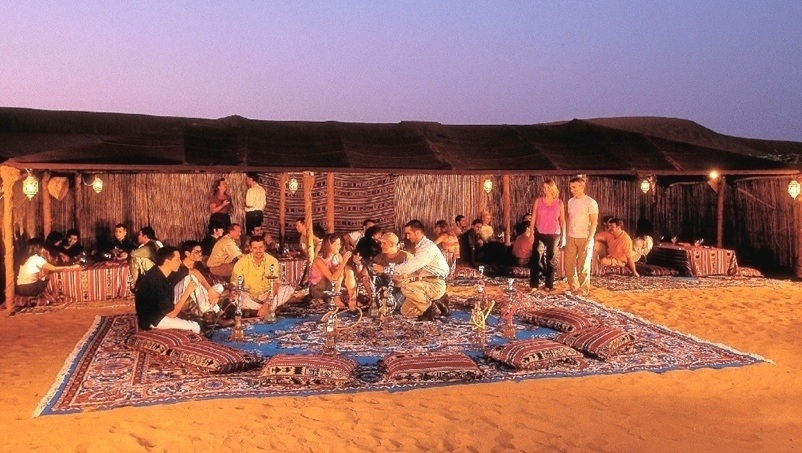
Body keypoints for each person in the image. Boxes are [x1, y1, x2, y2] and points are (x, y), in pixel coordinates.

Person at [375, 220, 449, 321]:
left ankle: (429, 309)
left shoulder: (427, 248)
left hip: (434, 284)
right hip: (424, 283)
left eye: (409, 234)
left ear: (417, 233)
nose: (408, 237)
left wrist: (385, 269)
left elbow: (410, 266)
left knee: (406, 288)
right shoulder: (420, 247)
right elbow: (416, 270)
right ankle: (437, 307)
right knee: (405, 311)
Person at [135, 246, 201, 334]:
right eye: (177, 260)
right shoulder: (155, 282)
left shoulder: (164, 270)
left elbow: (193, 271)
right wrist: (187, 292)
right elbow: (172, 314)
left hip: (163, 310)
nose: (180, 262)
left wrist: (210, 290)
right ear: (167, 261)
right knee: (195, 326)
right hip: (154, 320)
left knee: (190, 277)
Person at [231, 235, 295, 317]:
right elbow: (234, 282)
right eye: (255, 248)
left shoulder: (272, 261)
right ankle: (269, 309)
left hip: (267, 295)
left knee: (288, 290)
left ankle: (260, 310)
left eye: (260, 247)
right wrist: (233, 291)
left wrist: (266, 304)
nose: (258, 251)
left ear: (265, 247)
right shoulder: (242, 262)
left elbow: (275, 285)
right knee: (234, 298)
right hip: (250, 295)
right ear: (250, 248)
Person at [529, 179, 566, 292]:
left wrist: (563, 236)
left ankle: (548, 285)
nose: (546, 190)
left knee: (552, 259)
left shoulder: (559, 203)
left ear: (553, 188)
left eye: (548, 187)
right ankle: (534, 284)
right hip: (540, 232)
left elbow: (563, 220)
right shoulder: (539, 201)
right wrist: (531, 233)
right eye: (544, 188)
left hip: (554, 234)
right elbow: (534, 217)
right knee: (536, 258)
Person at [170, 241, 225, 317]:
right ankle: (213, 311)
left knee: (219, 287)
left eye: (200, 251)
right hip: (182, 297)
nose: (200, 254)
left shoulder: (198, 264)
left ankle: (208, 308)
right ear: (187, 253)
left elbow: (203, 281)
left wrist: (211, 293)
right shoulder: (179, 265)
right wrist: (210, 291)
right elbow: (195, 273)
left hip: (197, 294)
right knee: (192, 278)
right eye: (197, 252)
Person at [564, 176, 598, 296]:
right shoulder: (570, 202)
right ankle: (574, 288)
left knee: (583, 266)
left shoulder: (591, 202)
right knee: (568, 265)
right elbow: (569, 219)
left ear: (581, 187)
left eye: (574, 187)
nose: (572, 190)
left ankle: (583, 290)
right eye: (571, 188)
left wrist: (590, 239)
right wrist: (566, 235)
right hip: (571, 236)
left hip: (585, 237)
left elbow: (594, 222)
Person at [308, 234, 352, 306]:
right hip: (319, 289)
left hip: (332, 287)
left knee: (350, 289)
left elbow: (344, 273)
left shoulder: (338, 256)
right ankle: (335, 298)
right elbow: (332, 278)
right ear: (329, 245)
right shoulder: (318, 260)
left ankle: (336, 297)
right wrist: (344, 262)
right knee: (338, 273)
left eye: (340, 244)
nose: (340, 246)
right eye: (337, 244)